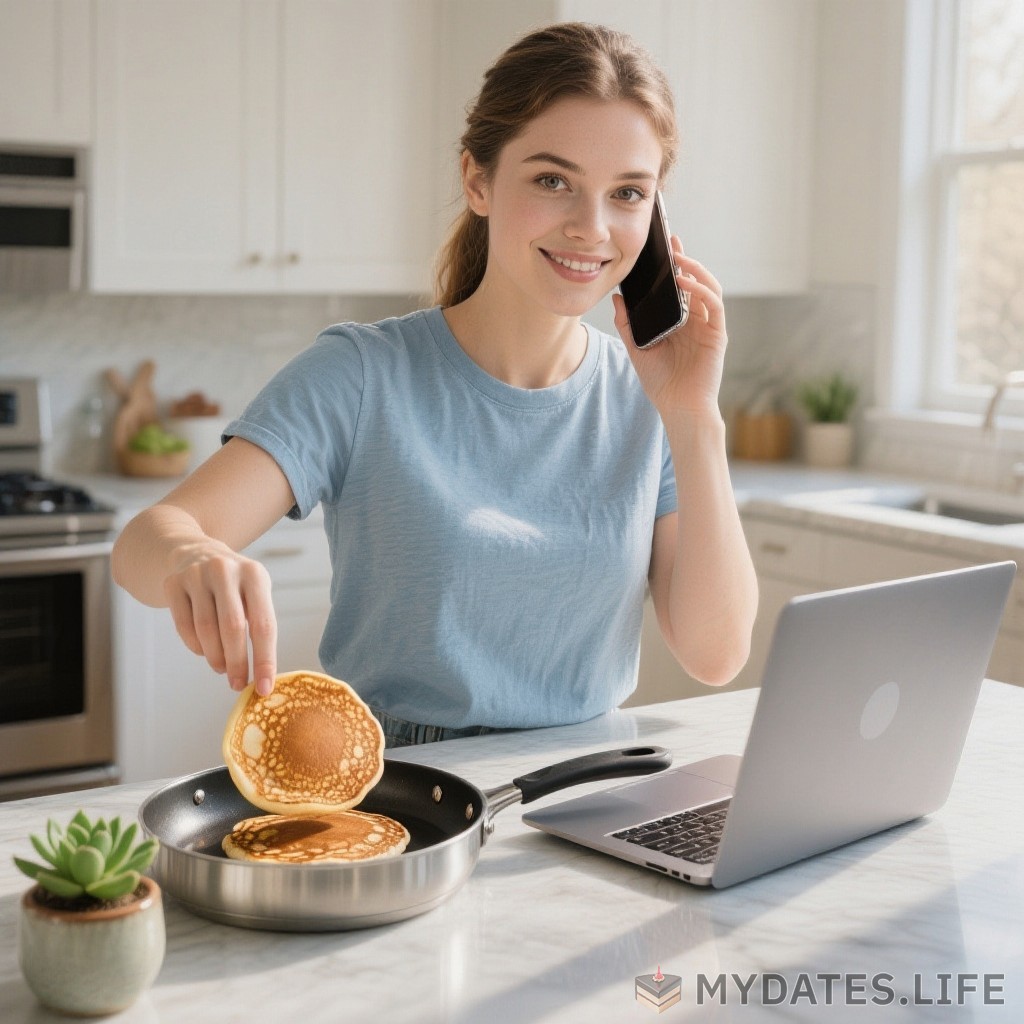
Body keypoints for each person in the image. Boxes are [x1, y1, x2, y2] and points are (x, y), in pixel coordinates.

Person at [112, 22, 758, 747]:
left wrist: (694, 415)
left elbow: (716, 653)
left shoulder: (651, 400)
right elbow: (142, 544)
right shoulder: (362, 375)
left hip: (589, 787)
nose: (592, 227)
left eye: (628, 193)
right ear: (478, 180)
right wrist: (193, 555)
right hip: (405, 799)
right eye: (553, 181)